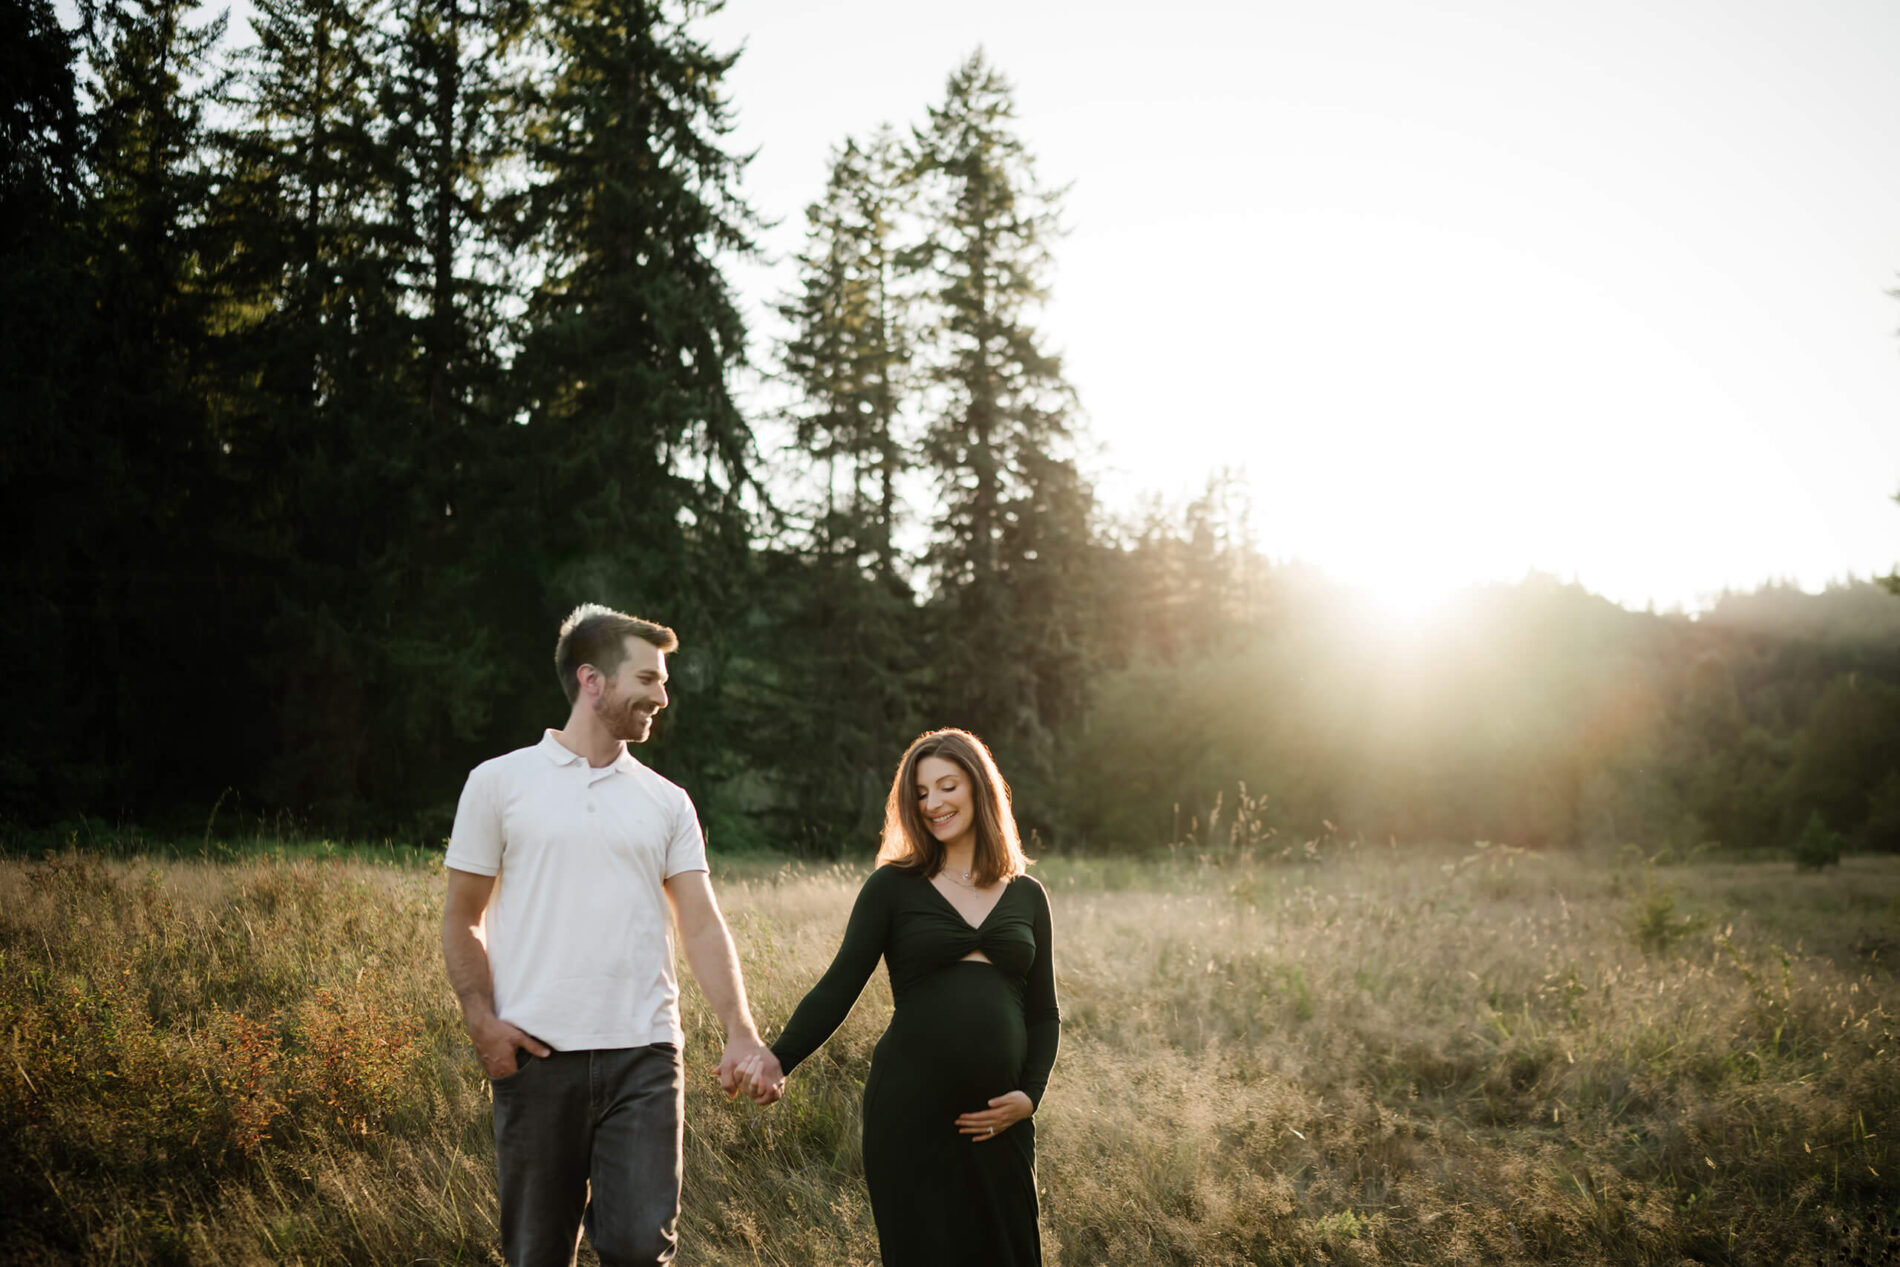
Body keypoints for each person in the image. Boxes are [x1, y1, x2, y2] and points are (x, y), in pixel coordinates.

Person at [441, 604, 782, 1267]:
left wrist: (741, 1028)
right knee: (536, 1253)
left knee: (637, 1248)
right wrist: (480, 1019)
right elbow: (461, 914)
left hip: (644, 1058)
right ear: (592, 681)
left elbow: (702, 922)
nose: (662, 695)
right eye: (648, 678)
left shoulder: (665, 800)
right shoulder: (498, 784)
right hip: (536, 1057)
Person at [742, 728, 1061, 1266]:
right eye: (920, 793)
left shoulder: (1028, 895)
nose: (933, 803)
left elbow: (1044, 1013)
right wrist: (779, 1059)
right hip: (911, 1115)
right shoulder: (893, 887)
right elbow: (840, 985)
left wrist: (1031, 1097)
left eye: (946, 786)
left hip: (999, 1121)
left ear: (979, 789)